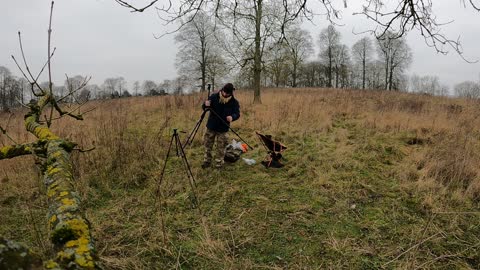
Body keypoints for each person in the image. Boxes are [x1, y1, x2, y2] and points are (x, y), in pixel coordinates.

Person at [201, 83, 240, 169]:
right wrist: (205, 104)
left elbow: (237, 114)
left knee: (221, 148)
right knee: (208, 145)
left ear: (231, 93)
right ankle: (207, 161)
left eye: (227, 93)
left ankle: (219, 164)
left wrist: (232, 117)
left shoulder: (234, 102)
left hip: (223, 128)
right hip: (211, 126)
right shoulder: (213, 97)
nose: (225, 94)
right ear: (222, 90)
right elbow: (204, 107)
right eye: (224, 92)